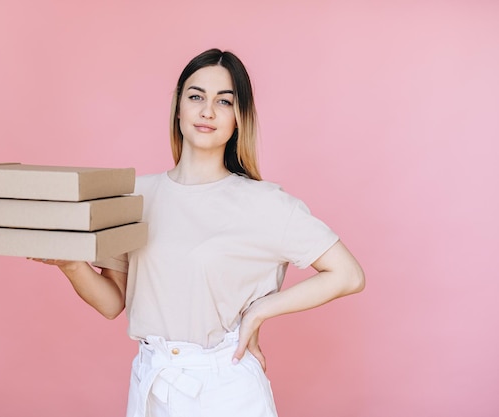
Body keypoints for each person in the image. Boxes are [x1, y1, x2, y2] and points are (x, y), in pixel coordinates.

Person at [33, 48, 365, 417]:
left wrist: (260, 311)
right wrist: (72, 265)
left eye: (224, 101)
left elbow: (348, 275)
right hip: (151, 385)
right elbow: (113, 302)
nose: (207, 111)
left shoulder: (264, 203)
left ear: (239, 118)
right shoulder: (135, 196)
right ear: (178, 108)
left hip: (227, 389)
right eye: (196, 96)